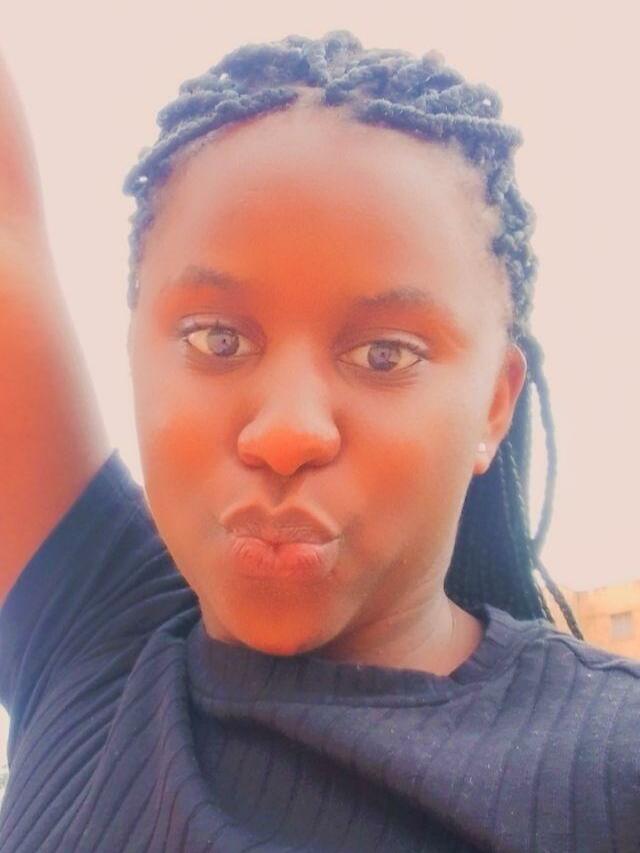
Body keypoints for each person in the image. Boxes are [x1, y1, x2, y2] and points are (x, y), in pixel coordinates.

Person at [0, 29, 638, 853]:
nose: (287, 433)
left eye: (385, 355)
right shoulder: (91, 632)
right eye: (217, 339)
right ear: (133, 353)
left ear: (492, 405)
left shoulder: (611, 770)